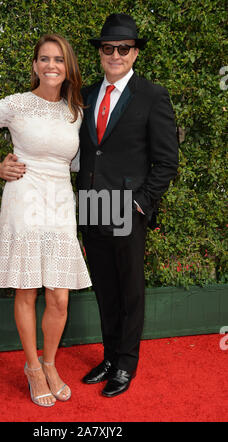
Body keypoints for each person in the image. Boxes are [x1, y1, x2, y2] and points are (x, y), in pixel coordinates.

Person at [0, 34, 91, 407]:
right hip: (24, 199)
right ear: (34, 65)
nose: (51, 66)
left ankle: (50, 363)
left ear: (68, 67)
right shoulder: (16, 104)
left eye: (58, 60)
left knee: (59, 297)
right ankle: (32, 367)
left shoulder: (75, 111)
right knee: (27, 289)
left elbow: (74, 162)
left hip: (61, 203)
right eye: (44, 59)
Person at [76, 13, 179, 397]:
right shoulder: (85, 95)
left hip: (126, 205)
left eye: (123, 48)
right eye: (108, 48)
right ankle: (108, 357)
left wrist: (141, 203)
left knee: (130, 289)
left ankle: (126, 364)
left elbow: (167, 160)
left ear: (134, 54)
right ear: (100, 53)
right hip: (90, 202)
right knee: (105, 288)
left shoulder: (153, 96)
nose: (115, 55)